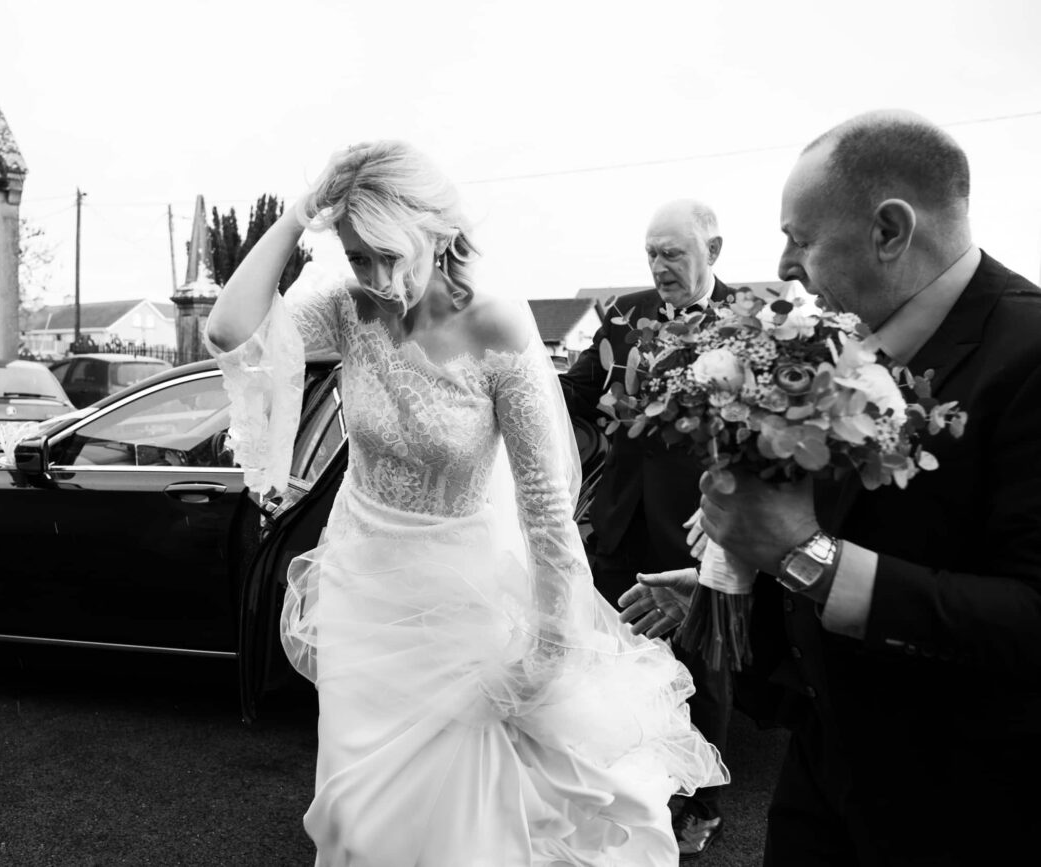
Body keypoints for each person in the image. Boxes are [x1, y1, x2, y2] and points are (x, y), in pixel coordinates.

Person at [204, 140, 726, 866]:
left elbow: (545, 507)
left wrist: (550, 648)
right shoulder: (350, 309)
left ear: (437, 232)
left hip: (464, 604)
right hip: (361, 592)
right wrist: (302, 211)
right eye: (359, 256)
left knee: (460, 829)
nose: (381, 278)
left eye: (392, 255)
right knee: (357, 818)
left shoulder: (495, 326)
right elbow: (229, 329)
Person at [635, 110, 1041, 865]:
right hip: (824, 772)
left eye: (801, 237)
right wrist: (735, 590)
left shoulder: (1030, 355)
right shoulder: (851, 347)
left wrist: (802, 555)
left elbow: (1028, 615)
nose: (785, 263)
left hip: (965, 804)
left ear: (890, 230)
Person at [561, 199, 736, 860]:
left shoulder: (749, 325)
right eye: (651, 253)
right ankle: (632, 791)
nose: (659, 266)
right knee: (617, 665)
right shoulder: (622, 314)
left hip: (701, 534)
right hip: (619, 526)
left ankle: (700, 804)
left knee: (705, 672)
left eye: (673, 253)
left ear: (712, 251)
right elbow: (573, 394)